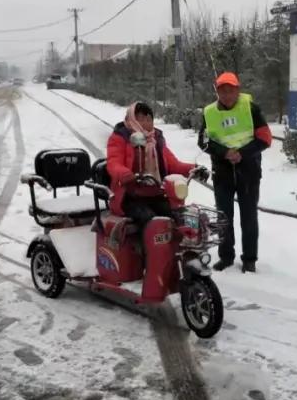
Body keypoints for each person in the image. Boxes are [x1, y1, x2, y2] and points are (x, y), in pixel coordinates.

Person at [198, 72, 272, 272]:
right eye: (222, 90)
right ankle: (226, 256)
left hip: (248, 172)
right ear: (217, 91)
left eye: (231, 90)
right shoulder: (209, 113)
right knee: (223, 217)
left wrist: (242, 154)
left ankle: (249, 259)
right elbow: (203, 141)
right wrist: (225, 152)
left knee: (248, 217)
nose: (227, 94)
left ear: (238, 90)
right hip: (222, 173)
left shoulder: (251, 109)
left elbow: (265, 138)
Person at [106, 101, 207, 229]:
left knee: (178, 215)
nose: (146, 123)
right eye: (141, 118)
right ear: (131, 119)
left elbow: (172, 164)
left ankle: (182, 245)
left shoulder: (156, 140)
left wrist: (194, 168)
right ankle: (148, 249)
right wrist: (126, 174)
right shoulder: (120, 137)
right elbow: (113, 163)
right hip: (129, 196)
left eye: (149, 119)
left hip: (156, 193)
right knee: (150, 221)